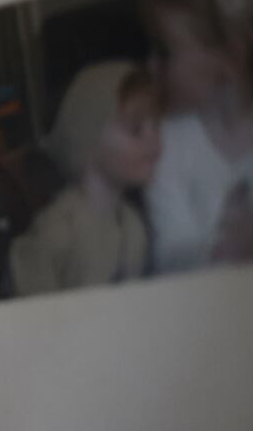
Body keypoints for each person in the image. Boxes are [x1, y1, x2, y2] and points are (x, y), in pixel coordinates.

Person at [142, 0, 253, 274]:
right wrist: (222, 251)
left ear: (229, 60)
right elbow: (170, 258)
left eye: (164, 52)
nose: (150, 66)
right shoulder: (166, 146)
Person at [10, 61, 161, 296]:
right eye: (137, 129)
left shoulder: (134, 227)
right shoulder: (59, 229)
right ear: (89, 138)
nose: (156, 142)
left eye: (157, 126)